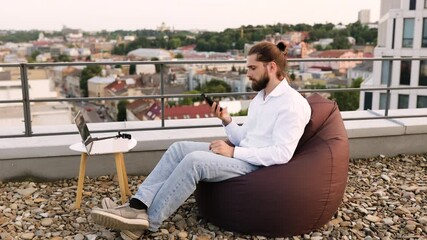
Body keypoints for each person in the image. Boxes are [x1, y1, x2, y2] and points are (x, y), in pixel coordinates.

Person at [90, 41, 312, 238]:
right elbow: (245, 137)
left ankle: (148, 221)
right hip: (242, 154)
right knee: (179, 149)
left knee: (195, 161)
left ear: (271, 67)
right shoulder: (261, 98)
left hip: (256, 166)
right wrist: (226, 120)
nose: (248, 74)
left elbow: (281, 154)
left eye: (252, 68)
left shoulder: (292, 104)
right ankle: (136, 205)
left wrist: (233, 152)